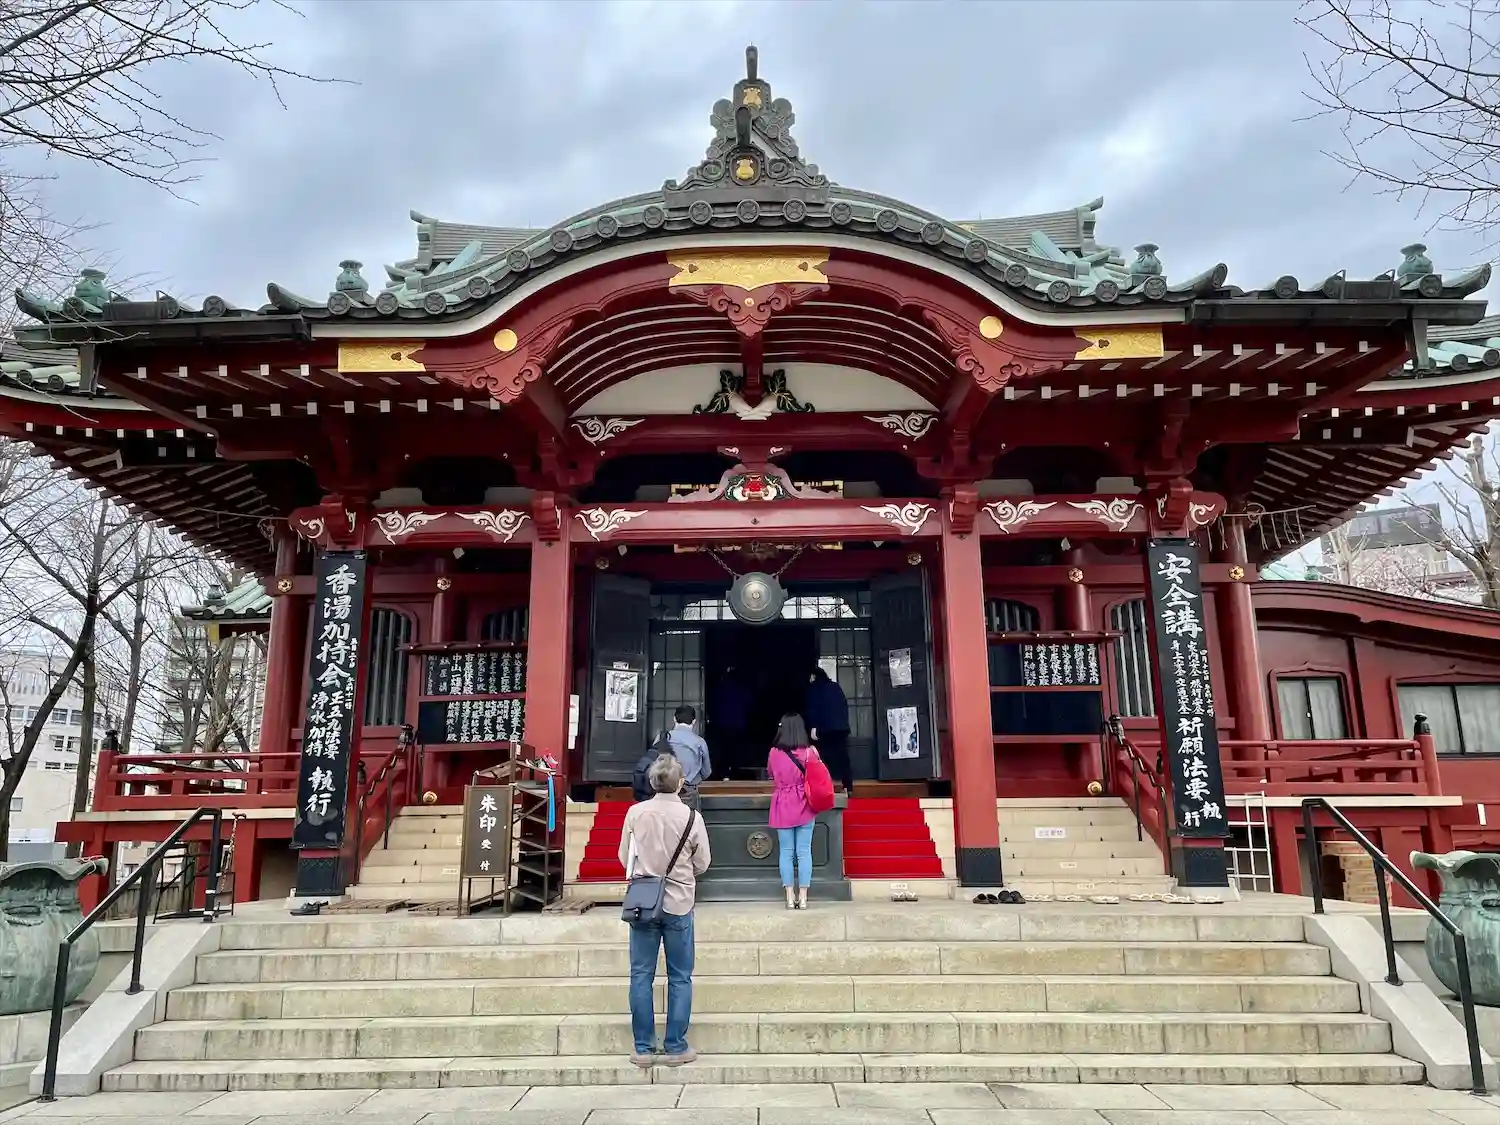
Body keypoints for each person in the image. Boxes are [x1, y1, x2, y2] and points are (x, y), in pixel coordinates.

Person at [618, 753, 711, 1068]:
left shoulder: (635, 813)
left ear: (651, 782)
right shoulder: (691, 817)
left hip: (643, 901)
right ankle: (675, 1046)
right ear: (681, 783)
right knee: (680, 976)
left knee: (641, 974)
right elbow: (703, 862)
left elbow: (624, 857)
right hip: (679, 901)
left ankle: (643, 1048)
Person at [768, 712, 820, 910]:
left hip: (782, 803)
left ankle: (790, 897)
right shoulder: (810, 752)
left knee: (786, 852)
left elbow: (771, 774)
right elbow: (819, 776)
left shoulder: (774, 753)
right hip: (805, 803)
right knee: (804, 852)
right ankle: (804, 897)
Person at [805, 667, 853, 794]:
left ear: (814, 676)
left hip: (825, 729)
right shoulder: (835, 687)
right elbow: (844, 705)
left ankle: (826, 786)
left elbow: (813, 709)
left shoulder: (815, 689)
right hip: (841, 728)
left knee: (824, 757)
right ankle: (848, 786)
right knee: (843, 757)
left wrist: (813, 727)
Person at [666, 704, 711, 809]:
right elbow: (706, 772)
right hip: (689, 792)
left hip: (665, 790)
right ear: (694, 721)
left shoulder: (663, 737)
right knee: (691, 818)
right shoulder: (699, 742)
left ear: (674, 719)